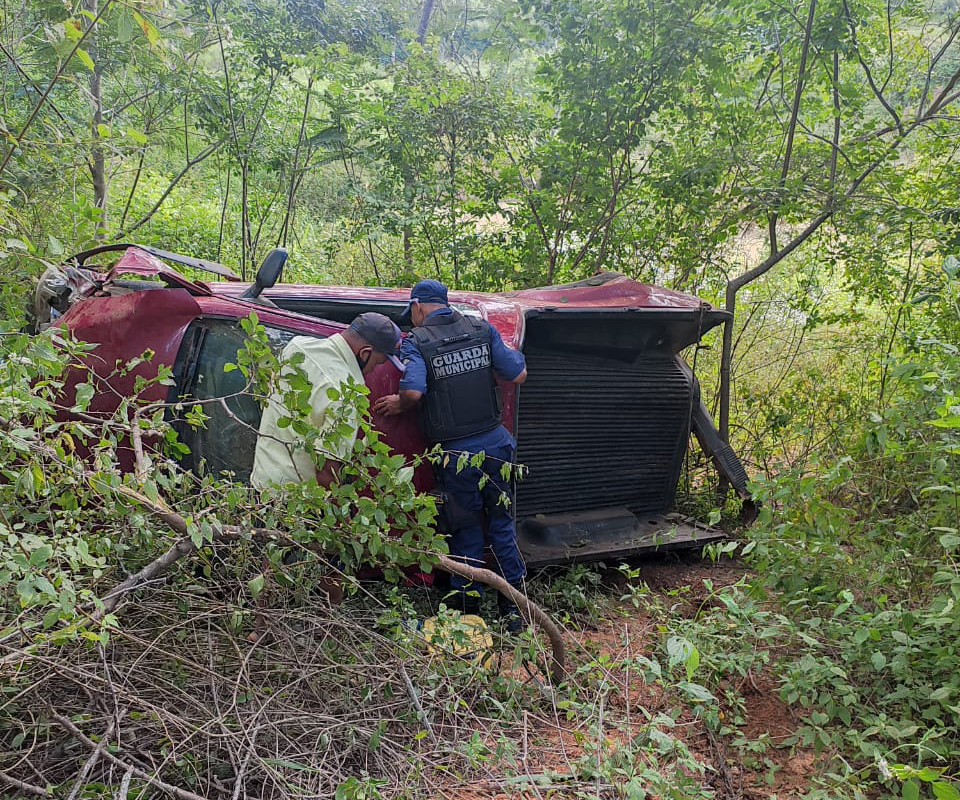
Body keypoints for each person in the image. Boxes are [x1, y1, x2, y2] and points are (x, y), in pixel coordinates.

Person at [373, 279, 528, 631]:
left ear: (417, 306)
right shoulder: (482, 329)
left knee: (466, 529)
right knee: (502, 524)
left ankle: (466, 608)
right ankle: (515, 610)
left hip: (459, 454)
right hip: (498, 446)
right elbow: (518, 373)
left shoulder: (416, 342)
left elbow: (413, 390)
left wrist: (399, 403)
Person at [248, 312, 402, 640]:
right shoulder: (344, 394)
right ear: (364, 352)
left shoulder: (297, 347)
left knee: (272, 562)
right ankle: (329, 634)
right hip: (299, 493)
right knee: (333, 556)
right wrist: (337, 516)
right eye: (378, 362)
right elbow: (327, 469)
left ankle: (261, 630)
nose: (377, 369)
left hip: (265, 478)